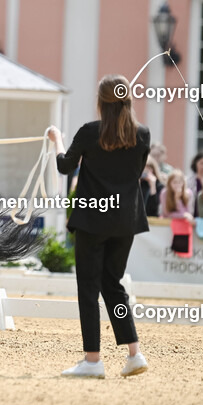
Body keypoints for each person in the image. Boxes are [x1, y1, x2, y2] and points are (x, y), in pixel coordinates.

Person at [47, 74, 149, 379]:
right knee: (113, 285)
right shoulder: (142, 135)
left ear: (101, 102)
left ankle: (93, 359)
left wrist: (57, 140)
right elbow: (135, 172)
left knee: (89, 289)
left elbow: (65, 165)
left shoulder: (91, 132)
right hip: (125, 220)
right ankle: (134, 353)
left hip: (93, 219)